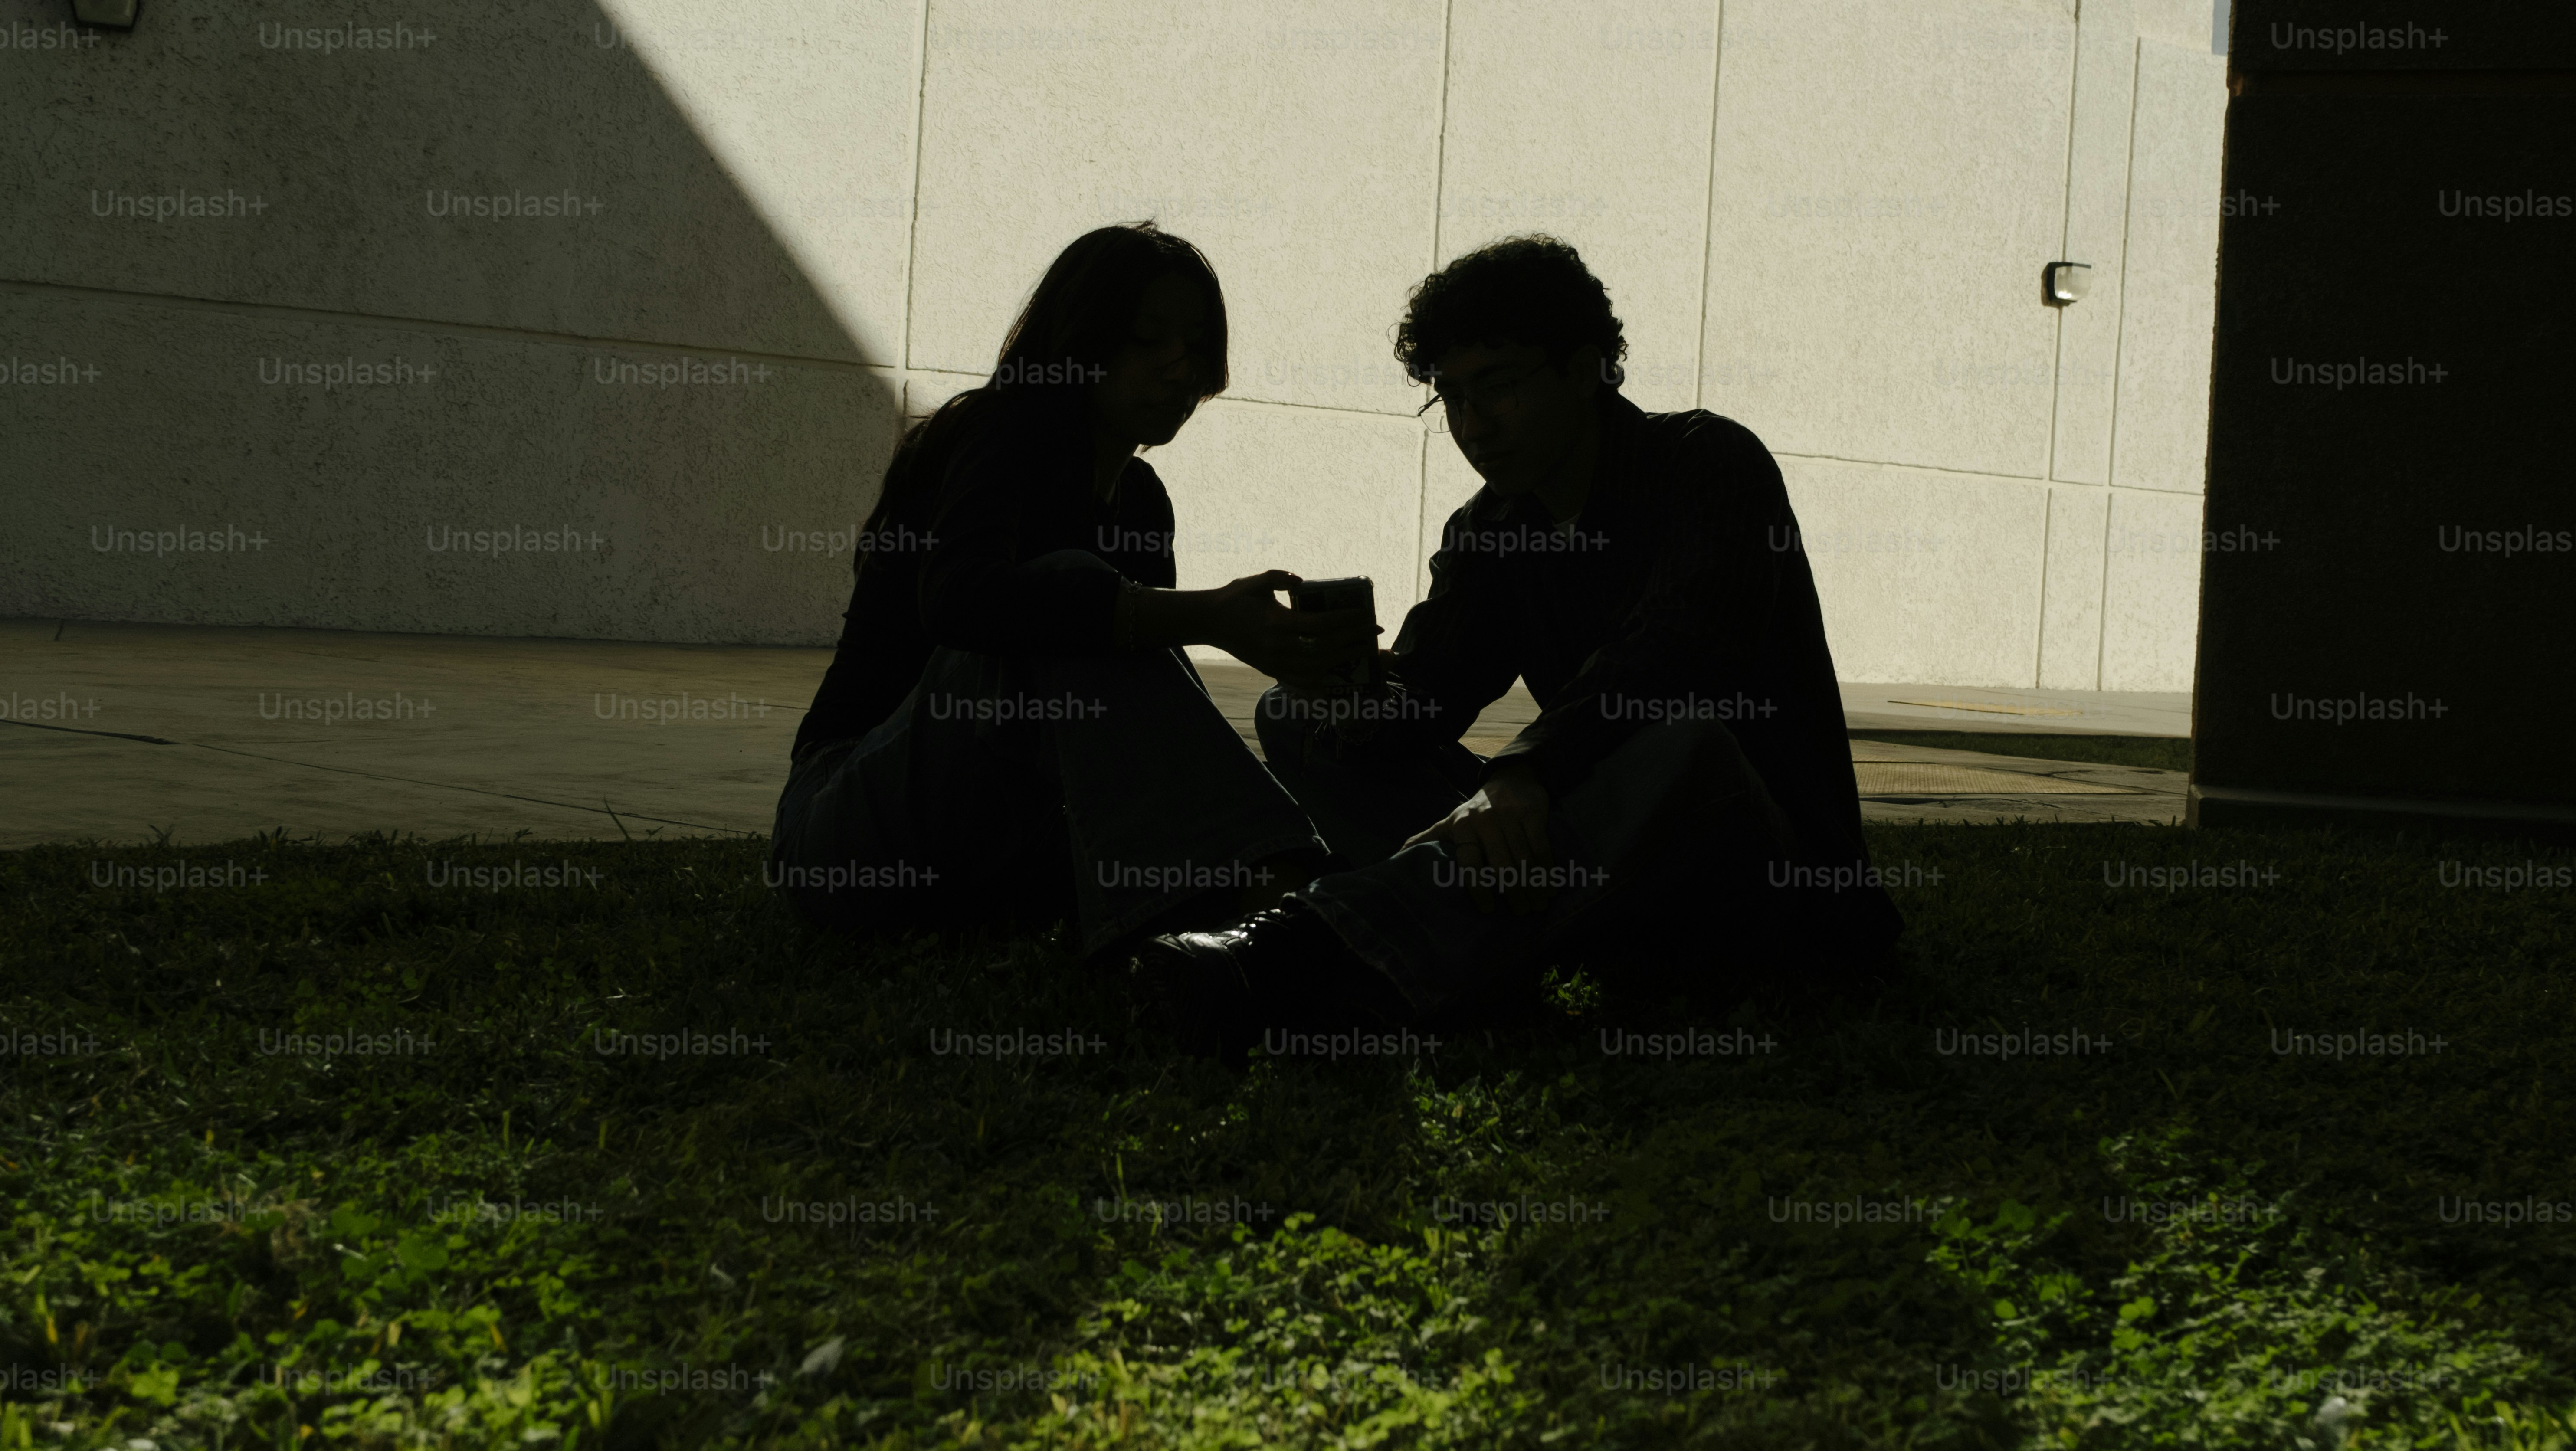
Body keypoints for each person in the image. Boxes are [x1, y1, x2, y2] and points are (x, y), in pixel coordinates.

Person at [1141, 236, 1901, 1044]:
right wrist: (1348, 686)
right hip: (1601, 875)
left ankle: (1313, 947)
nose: (1474, 425)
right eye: (1451, 398)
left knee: (1684, 743)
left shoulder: (1705, 462)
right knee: (1295, 718)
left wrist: (1526, 772)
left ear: (1586, 371)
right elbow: (1430, 696)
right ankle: (1461, 926)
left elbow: (1679, 653)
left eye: (1498, 388)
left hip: (1760, 872)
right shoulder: (1492, 528)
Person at [768, 223, 1370, 956]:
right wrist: (1210, 618)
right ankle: (1292, 904)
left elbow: (1132, 715)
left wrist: (1292, 657)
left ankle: (1278, 908)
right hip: (847, 833)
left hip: (999, 847)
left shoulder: (1143, 503)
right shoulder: (999, 433)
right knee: (1071, 592)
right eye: (1147, 340)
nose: (1180, 368)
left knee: (1098, 626)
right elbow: (963, 602)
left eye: (1197, 346)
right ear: (1080, 341)